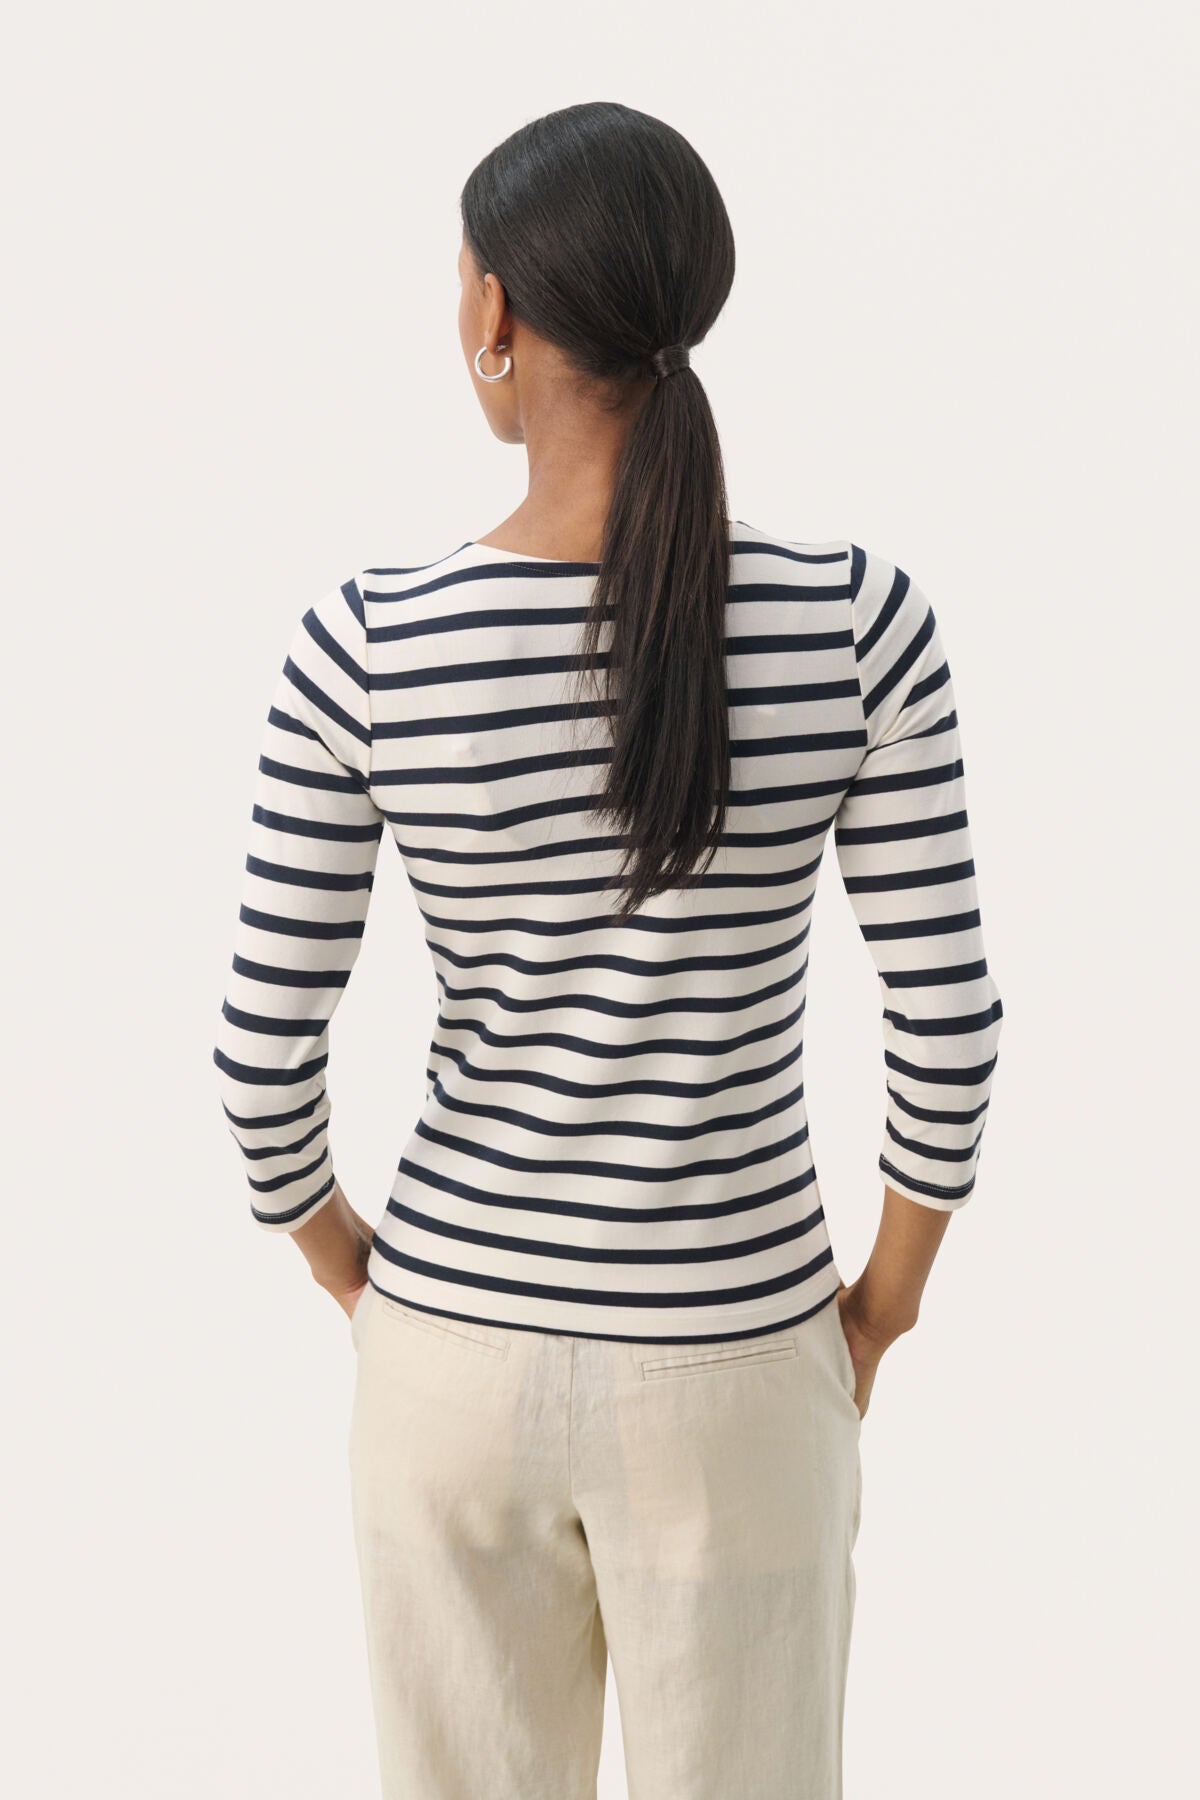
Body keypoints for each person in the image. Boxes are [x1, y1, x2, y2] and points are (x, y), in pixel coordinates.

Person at [213, 100, 1004, 1800]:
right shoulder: (859, 623)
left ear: (496, 312)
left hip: (450, 1356)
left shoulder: (367, 644)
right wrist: (882, 1310)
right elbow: (947, 1027)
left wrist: (352, 1266)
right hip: (739, 1359)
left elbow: (260, 1052)